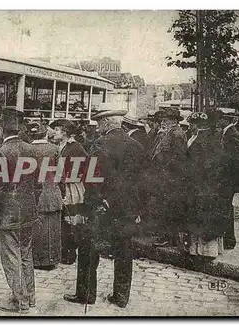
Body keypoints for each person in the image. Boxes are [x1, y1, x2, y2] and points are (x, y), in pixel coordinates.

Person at [64, 109, 146, 308]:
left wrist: (91, 205)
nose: (98, 126)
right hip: (127, 208)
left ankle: (86, 294)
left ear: (109, 122)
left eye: (100, 122)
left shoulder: (100, 144)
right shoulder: (136, 146)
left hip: (102, 208)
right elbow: (144, 182)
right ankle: (121, 296)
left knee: (88, 250)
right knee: (124, 251)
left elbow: (92, 179)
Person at [0, 106, 37, 313]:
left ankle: (19, 301)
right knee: (26, 255)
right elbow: (38, 183)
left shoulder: (1, 153)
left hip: (9, 212)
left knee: (11, 257)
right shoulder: (31, 149)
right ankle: (30, 298)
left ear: (1, 130)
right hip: (28, 210)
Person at [183, 111, 227, 259]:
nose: (189, 127)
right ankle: (198, 250)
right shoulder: (202, 137)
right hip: (201, 184)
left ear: (197, 125)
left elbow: (204, 165)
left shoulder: (202, 140)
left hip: (203, 185)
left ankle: (205, 252)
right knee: (199, 217)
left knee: (203, 217)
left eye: (191, 124)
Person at [49, 119, 89, 265]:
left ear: (64, 132)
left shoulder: (76, 147)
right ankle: (63, 250)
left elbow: (86, 164)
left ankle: (70, 252)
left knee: (71, 219)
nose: (54, 133)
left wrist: (71, 175)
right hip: (61, 185)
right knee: (63, 219)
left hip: (71, 186)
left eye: (57, 130)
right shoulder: (60, 146)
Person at [27, 121, 63, 270]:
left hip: (33, 195)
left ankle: (36, 259)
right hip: (52, 193)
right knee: (52, 227)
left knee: (35, 228)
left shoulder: (26, 150)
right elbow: (60, 174)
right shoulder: (55, 149)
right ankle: (51, 259)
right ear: (45, 134)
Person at [149, 107, 188, 247]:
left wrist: (166, 170)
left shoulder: (176, 134)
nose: (162, 122)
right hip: (165, 177)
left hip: (170, 178)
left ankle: (169, 237)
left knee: (169, 208)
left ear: (173, 121)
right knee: (165, 207)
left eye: (165, 120)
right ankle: (168, 236)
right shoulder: (169, 132)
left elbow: (178, 158)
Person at [217, 109, 239, 249]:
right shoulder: (226, 132)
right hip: (225, 178)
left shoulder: (233, 134)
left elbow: (235, 159)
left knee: (226, 208)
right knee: (224, 207)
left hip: (228, 179)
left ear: (227, 119)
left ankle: (229, 240)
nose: (219, 121)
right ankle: (226, 239)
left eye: (221, 118)